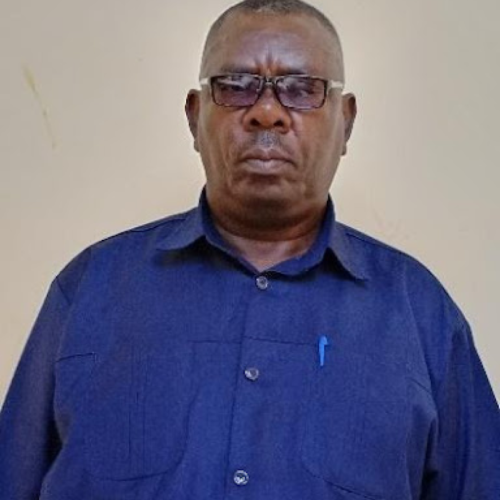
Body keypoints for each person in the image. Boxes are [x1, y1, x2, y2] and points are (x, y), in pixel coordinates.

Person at [0, 0, 499, 498]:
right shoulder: (92, 289)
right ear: (195, 117)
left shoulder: (421, 316)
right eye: (236, 86)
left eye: (302, 89)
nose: (266, 113)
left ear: (346, 123)